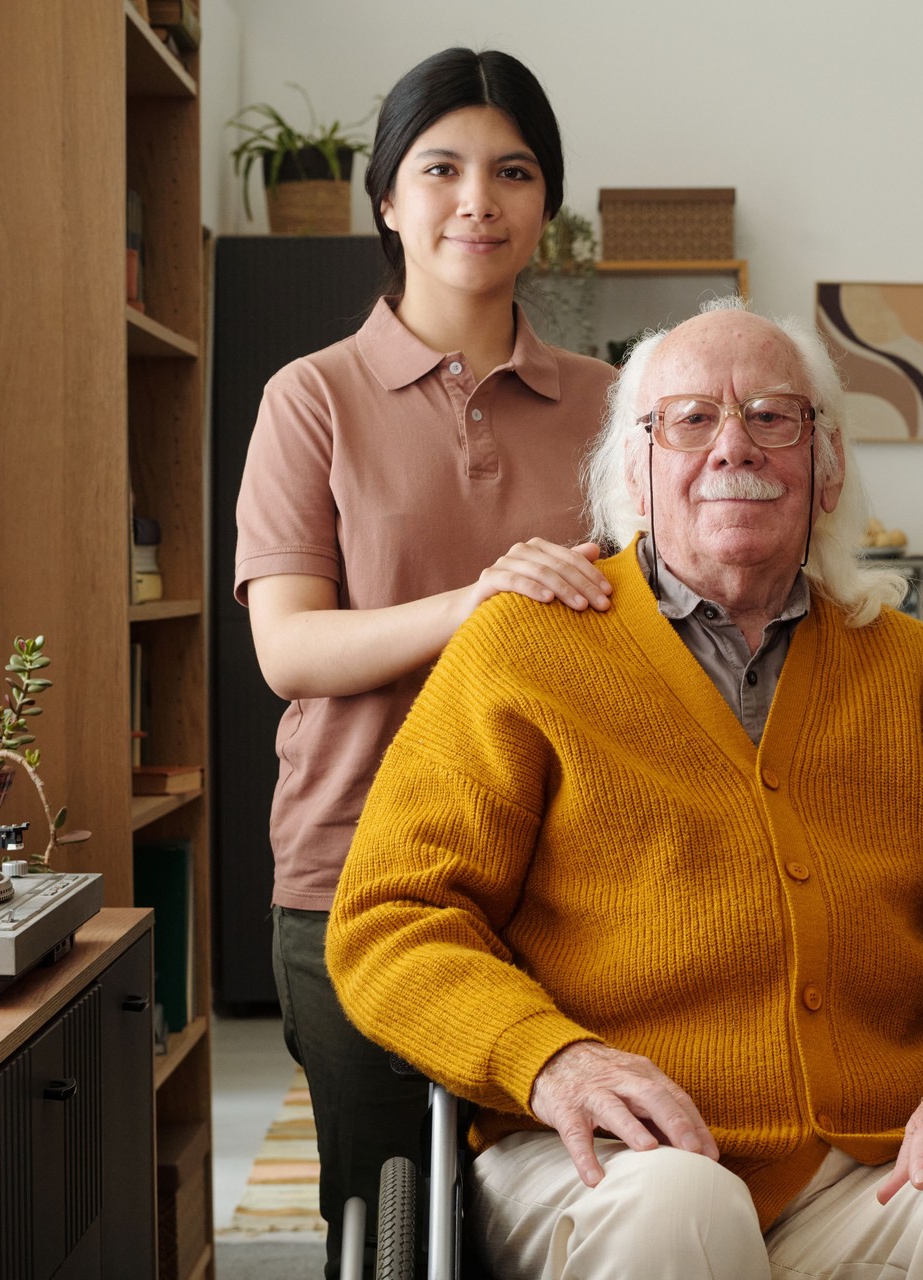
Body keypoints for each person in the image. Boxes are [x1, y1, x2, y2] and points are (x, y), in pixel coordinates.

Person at [326, 301, 923, 1280]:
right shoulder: (522, 651)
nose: (732, 445)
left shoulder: (922, 675)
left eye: (771, 415)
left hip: (875, 1158)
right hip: (607, 1160)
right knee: (679, 1205)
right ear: (634, 465)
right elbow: (393, 915)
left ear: (825, 464)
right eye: (691, 418)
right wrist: (551, 1057)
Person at [234, 47, 616, 1277]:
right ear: (388, 200)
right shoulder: (313, 398)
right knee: (394, 1227)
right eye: (440, 167)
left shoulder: (620, 406)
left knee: (580, 1199)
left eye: (512, 172)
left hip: (574, 878)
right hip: (358, 870)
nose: (477, 199)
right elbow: (289, 648)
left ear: (543, 206)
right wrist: (482, 598)